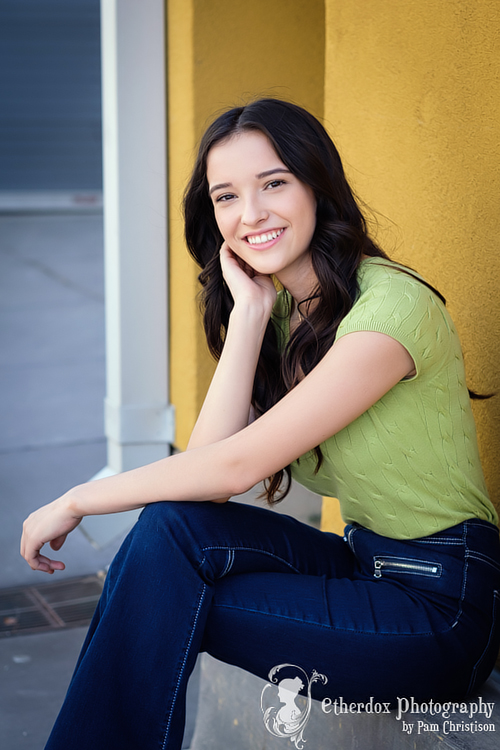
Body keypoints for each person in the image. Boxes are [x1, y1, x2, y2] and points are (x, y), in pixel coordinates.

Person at [21, 98, 500, 750]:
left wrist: (78, 499)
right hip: (361, 564)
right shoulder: (280, 312)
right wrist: (248, 315)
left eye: (273, 183)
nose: (249, 215)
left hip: (440, 608)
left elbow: (233, 469)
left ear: (316, 185)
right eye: (226, 197)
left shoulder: (390, 313)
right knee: (169, 534)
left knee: (158, 599)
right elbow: (204, 487)